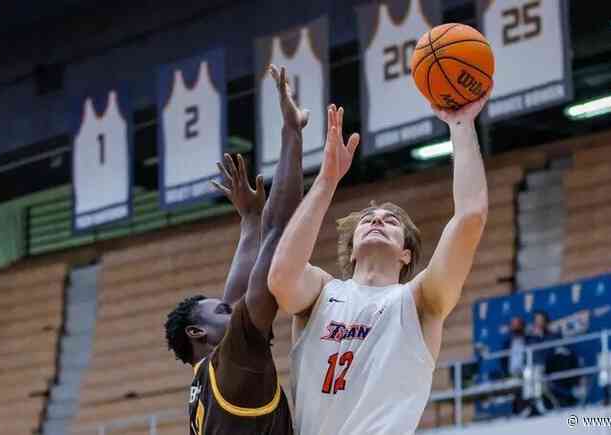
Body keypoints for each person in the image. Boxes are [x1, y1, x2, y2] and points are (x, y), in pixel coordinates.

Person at [268, 95, 490, 434]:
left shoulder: (419, 301)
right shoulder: (321, 293)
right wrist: (327, 181)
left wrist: (461, 125)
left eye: (391, 221)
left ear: (405, 253)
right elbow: (281, 277)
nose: (378, 219)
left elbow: (470, 218)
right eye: (368, 218)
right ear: (352, 249)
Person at [163, 64, 308, 435]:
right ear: (198, 332)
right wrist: (291, 134)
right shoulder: (234, 360)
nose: (236, 306)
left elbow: (239, 290)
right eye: (224, 310)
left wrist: (249, 220)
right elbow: (279, 234)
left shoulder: (206, 381)